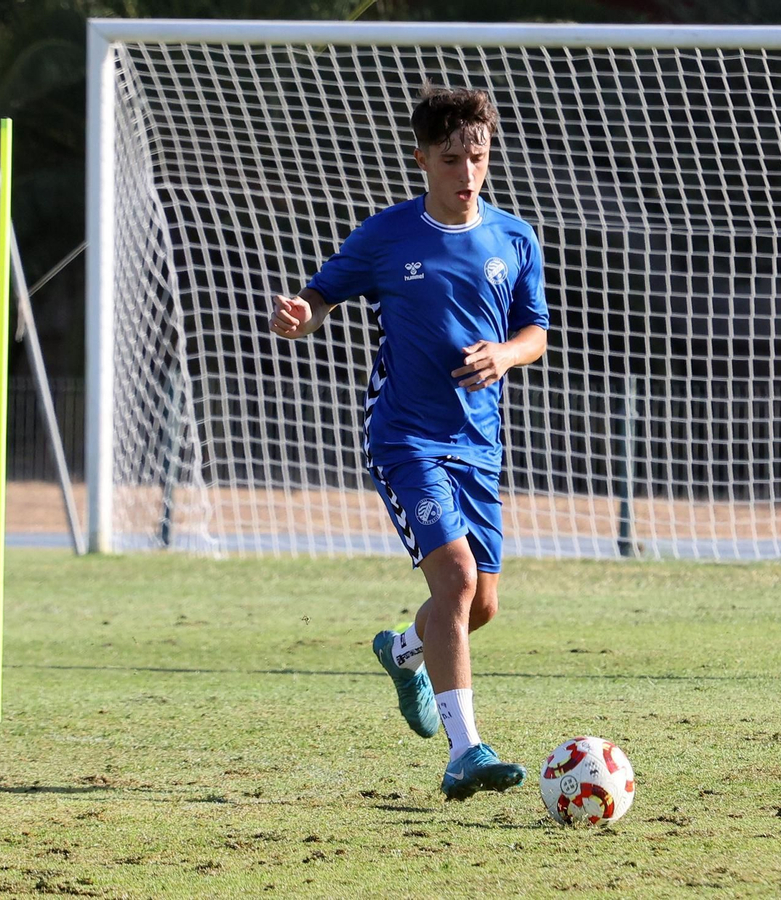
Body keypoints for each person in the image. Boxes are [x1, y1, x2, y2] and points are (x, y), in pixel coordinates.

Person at [269, 84, 549, 798]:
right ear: (422, 159)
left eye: (478, 157)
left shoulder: (515, 238)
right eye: (452, 159)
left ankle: (403, 654)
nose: (467, 173)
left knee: (480, 606)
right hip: (406, 438)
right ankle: (467, 753)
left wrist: (505, 356)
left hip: (479, 444)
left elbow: (536, 333)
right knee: (454, 582)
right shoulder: (388, 235)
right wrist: (304, 314)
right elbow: (323, 295)